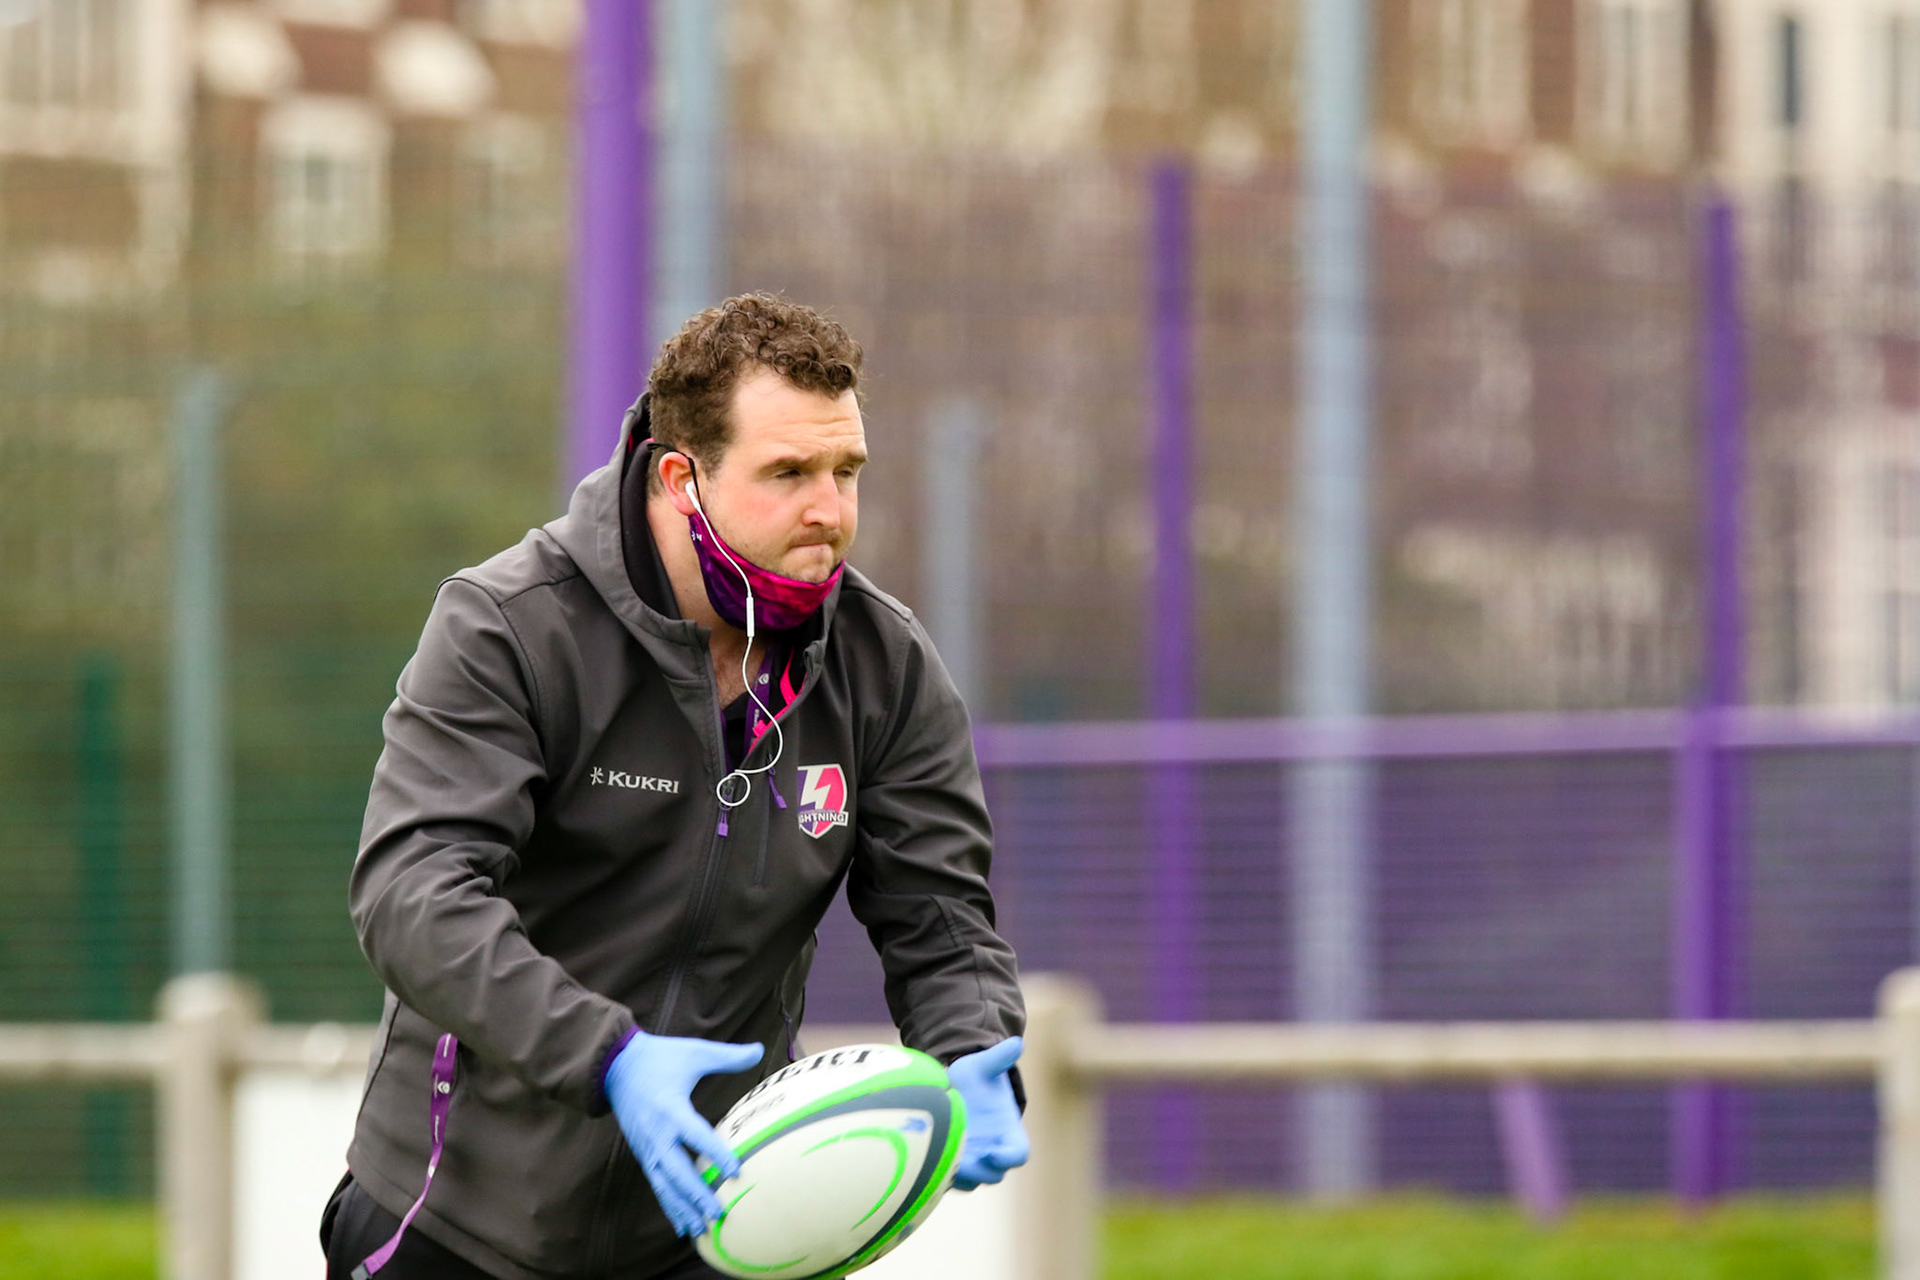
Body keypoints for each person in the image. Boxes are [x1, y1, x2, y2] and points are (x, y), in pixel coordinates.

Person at [321, 294, 1027, 1279]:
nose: (829, 509)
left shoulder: (887, 664)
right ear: (678, 478)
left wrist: (974, 1045)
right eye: (788, 473)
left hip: (715, 1225)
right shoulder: (510, 625)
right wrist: (610, 1055)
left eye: (846, 470)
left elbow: (939, 914)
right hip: (459, 1222)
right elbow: (412, 895)